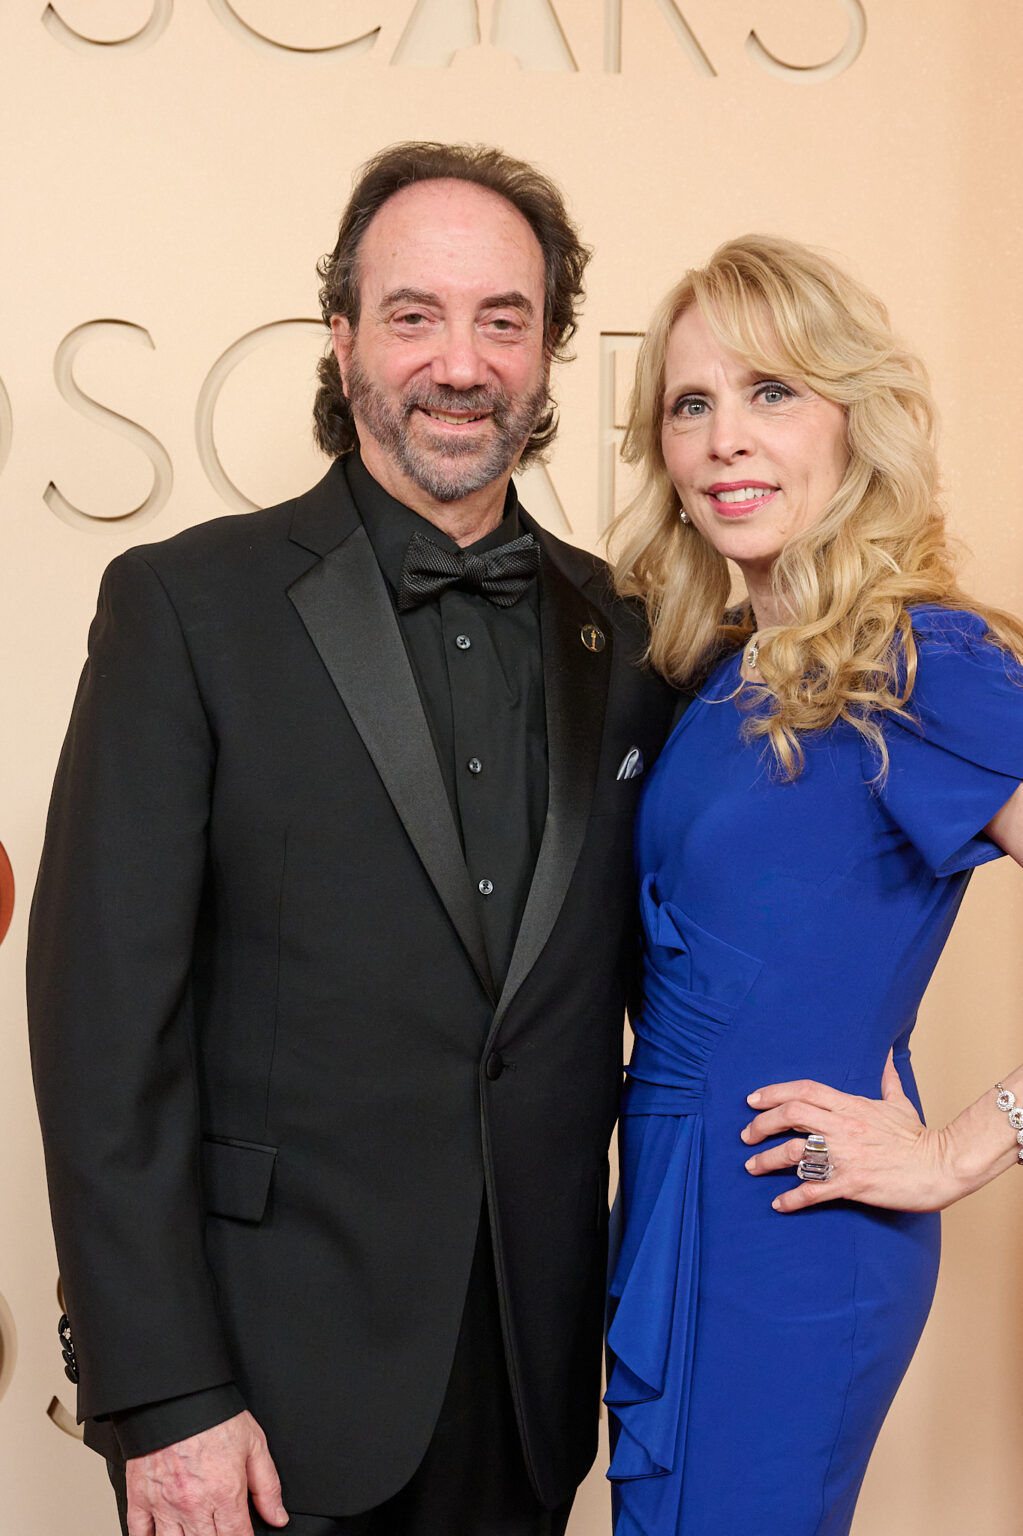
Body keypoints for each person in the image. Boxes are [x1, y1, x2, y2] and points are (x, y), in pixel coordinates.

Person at [27, 142, 676, 1536]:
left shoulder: (628, 638)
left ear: (551, 352)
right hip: (257, 1403)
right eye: (414, 315)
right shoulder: (184, 610)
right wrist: (165, 1393)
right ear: (343, 339)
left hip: (528, 1391)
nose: (461, 360)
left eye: (503, 319)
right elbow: (102, 1036)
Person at [604, 234, 1023, 1535]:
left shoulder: (921, 656)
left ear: (858, 419)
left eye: (773, 392)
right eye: (693, 404)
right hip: (671, 1207)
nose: (727, 438)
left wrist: (968, 1143)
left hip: (797, 1235)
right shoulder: (720, 664)